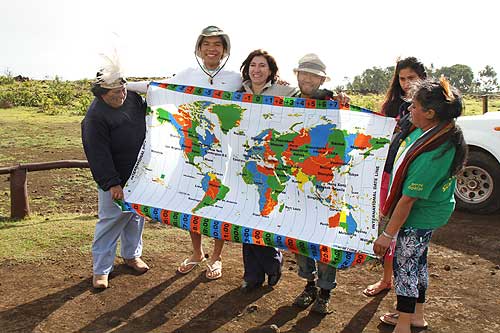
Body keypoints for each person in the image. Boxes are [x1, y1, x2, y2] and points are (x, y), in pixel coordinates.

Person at [129, 26, 241, 280]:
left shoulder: (236, 78)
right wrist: (123, 84)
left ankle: (216, 256)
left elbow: (259, 91)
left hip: (223, 151)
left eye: (217, 45)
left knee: (217, 202)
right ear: (199, 48)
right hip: (192, 149)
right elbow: (156, 87)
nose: (212, 49)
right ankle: (196, 252)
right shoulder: (187, 74)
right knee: (192, 201)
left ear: (225, 50)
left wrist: (280, 84)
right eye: (207, 44)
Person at [374, 77, 467, 332]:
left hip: (419, 216)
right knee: (417, 262)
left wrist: (386, 235)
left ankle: (403, 324)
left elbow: (408, 199)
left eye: (414, 107)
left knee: (405, 266)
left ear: (430, 113)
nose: (409, 110)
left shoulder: (434, 152)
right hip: (426, 212)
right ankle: (416, 315)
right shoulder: (432, 131)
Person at [81, 54, 149, 289]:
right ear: (101, 95)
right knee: (110, 221)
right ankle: (101, 269)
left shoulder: (131, 97)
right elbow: (97, 154)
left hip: (139, 173)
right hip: (116, 178)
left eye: (122, 90)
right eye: (114, 94)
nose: (121, 96)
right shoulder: (95, 117)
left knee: (135, 217)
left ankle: (131, 255)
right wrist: (112, 183)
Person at [363, 57, 427, 297]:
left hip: (413, 176)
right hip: (389, 172)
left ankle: (408, 297)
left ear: (422, 77)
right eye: (402, 78)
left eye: (411, 78)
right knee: (388, 224)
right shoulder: (392, 106)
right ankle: (386, 279)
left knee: (409, 235)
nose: (406, 83)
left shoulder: (431, 108)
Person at [290, 53, 348, 315]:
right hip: (297, 180)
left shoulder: (334, 103)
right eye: (303, 73)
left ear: (322, 79)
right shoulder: (287, 103)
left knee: (325, 237)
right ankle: (309, 285)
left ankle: (325, 291)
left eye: (313, 75)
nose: (307, 79)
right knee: (300, 236)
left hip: (326, 181)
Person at [237, 49, 295, 293]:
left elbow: (310, 101)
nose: (257, 70)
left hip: (272, 164)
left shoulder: (285, 91)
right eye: (253, 65)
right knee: (243, 218)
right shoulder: (238, 92)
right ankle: (252, 275)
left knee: (264, 213)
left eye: (262, 66)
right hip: (243, 162)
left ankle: (272, 262)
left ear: (271, 71)